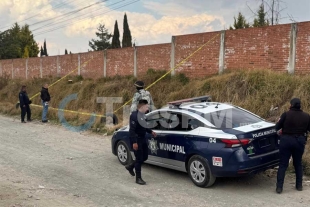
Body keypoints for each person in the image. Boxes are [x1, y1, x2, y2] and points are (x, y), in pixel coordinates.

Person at [275, 98, 309, 194]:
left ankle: (279, 187)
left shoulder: (286, 114)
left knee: (283, 164)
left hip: (286, 141)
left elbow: (277, 127)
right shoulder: (306, 116)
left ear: (291, 105)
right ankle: (299, 186)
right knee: (298, 163)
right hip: (299, 141)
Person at [125, 99, 157, 185]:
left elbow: (144, 127)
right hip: (136, 139)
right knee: (139, 159)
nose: (148, 108)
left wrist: (151, 132)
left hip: (143, 138)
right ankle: (138, 178)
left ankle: (131, 166)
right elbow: (132, 130)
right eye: (146, 106)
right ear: (142, 106)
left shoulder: (143, 115)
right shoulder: (134, 116)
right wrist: (134, 142)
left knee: (145, 157)